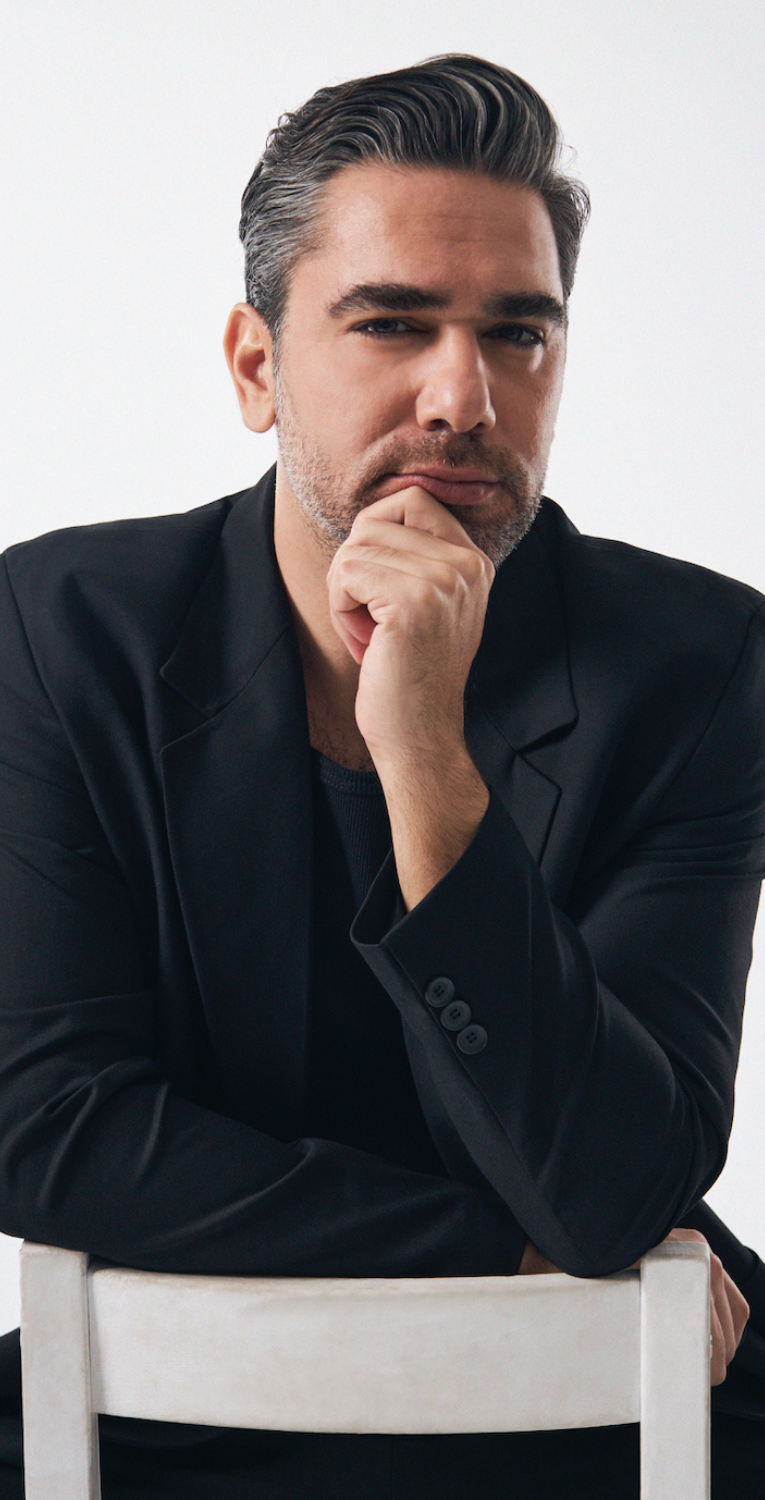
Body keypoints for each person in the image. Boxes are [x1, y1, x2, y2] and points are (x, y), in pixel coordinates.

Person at [0, 52, 764, 1498]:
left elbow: (619, 1180)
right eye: (393, 323)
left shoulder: (697, 663)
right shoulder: (58, 632)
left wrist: (423, 753)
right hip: (179, 1389)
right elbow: (46, 1127)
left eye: (518, 333)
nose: (465, 397)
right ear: (256, 365)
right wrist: (492, 1251)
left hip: (616, 1398)